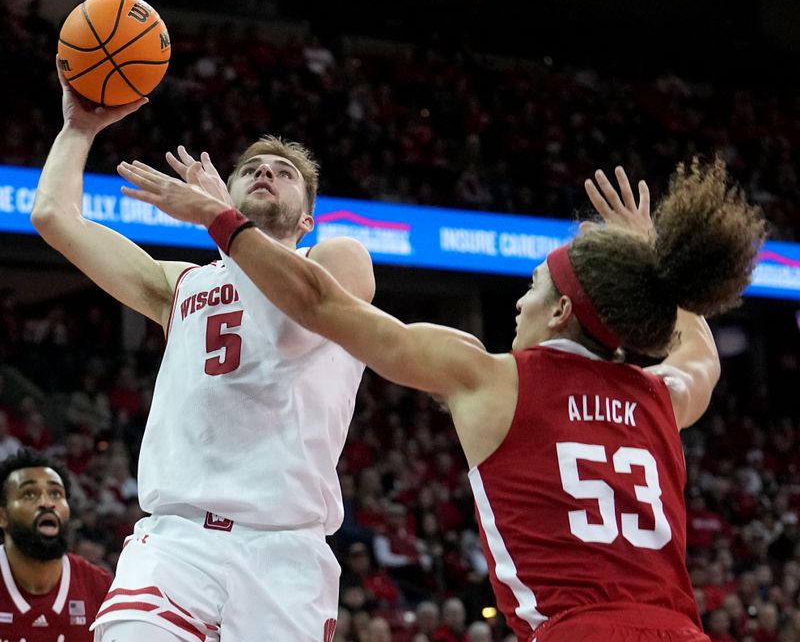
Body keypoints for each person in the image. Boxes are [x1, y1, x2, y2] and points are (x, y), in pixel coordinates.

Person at [119, 152, 766, 641]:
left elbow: (319, 303)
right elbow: (699, 355)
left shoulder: (491, 378)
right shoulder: (662, 396)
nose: (520, 299)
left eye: (536, 287)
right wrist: (656, 261)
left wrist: (218, 216)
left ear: (563, 310)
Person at [32, 65, 375, 641]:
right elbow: (54, 218)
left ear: (309, 217)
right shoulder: (180, 284)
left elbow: (304, 309)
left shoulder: (338, 259)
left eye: (284, 173)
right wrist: (79, 130)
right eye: (250, 169)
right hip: (176, 543)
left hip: (283, 552)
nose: (265, 172)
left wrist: (222, 219)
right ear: (227, 190)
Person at [0, 447, 113, 641]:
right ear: (2, 516)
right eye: (29, 494)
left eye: (56, 494)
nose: (46, 503)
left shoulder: (100, 587)